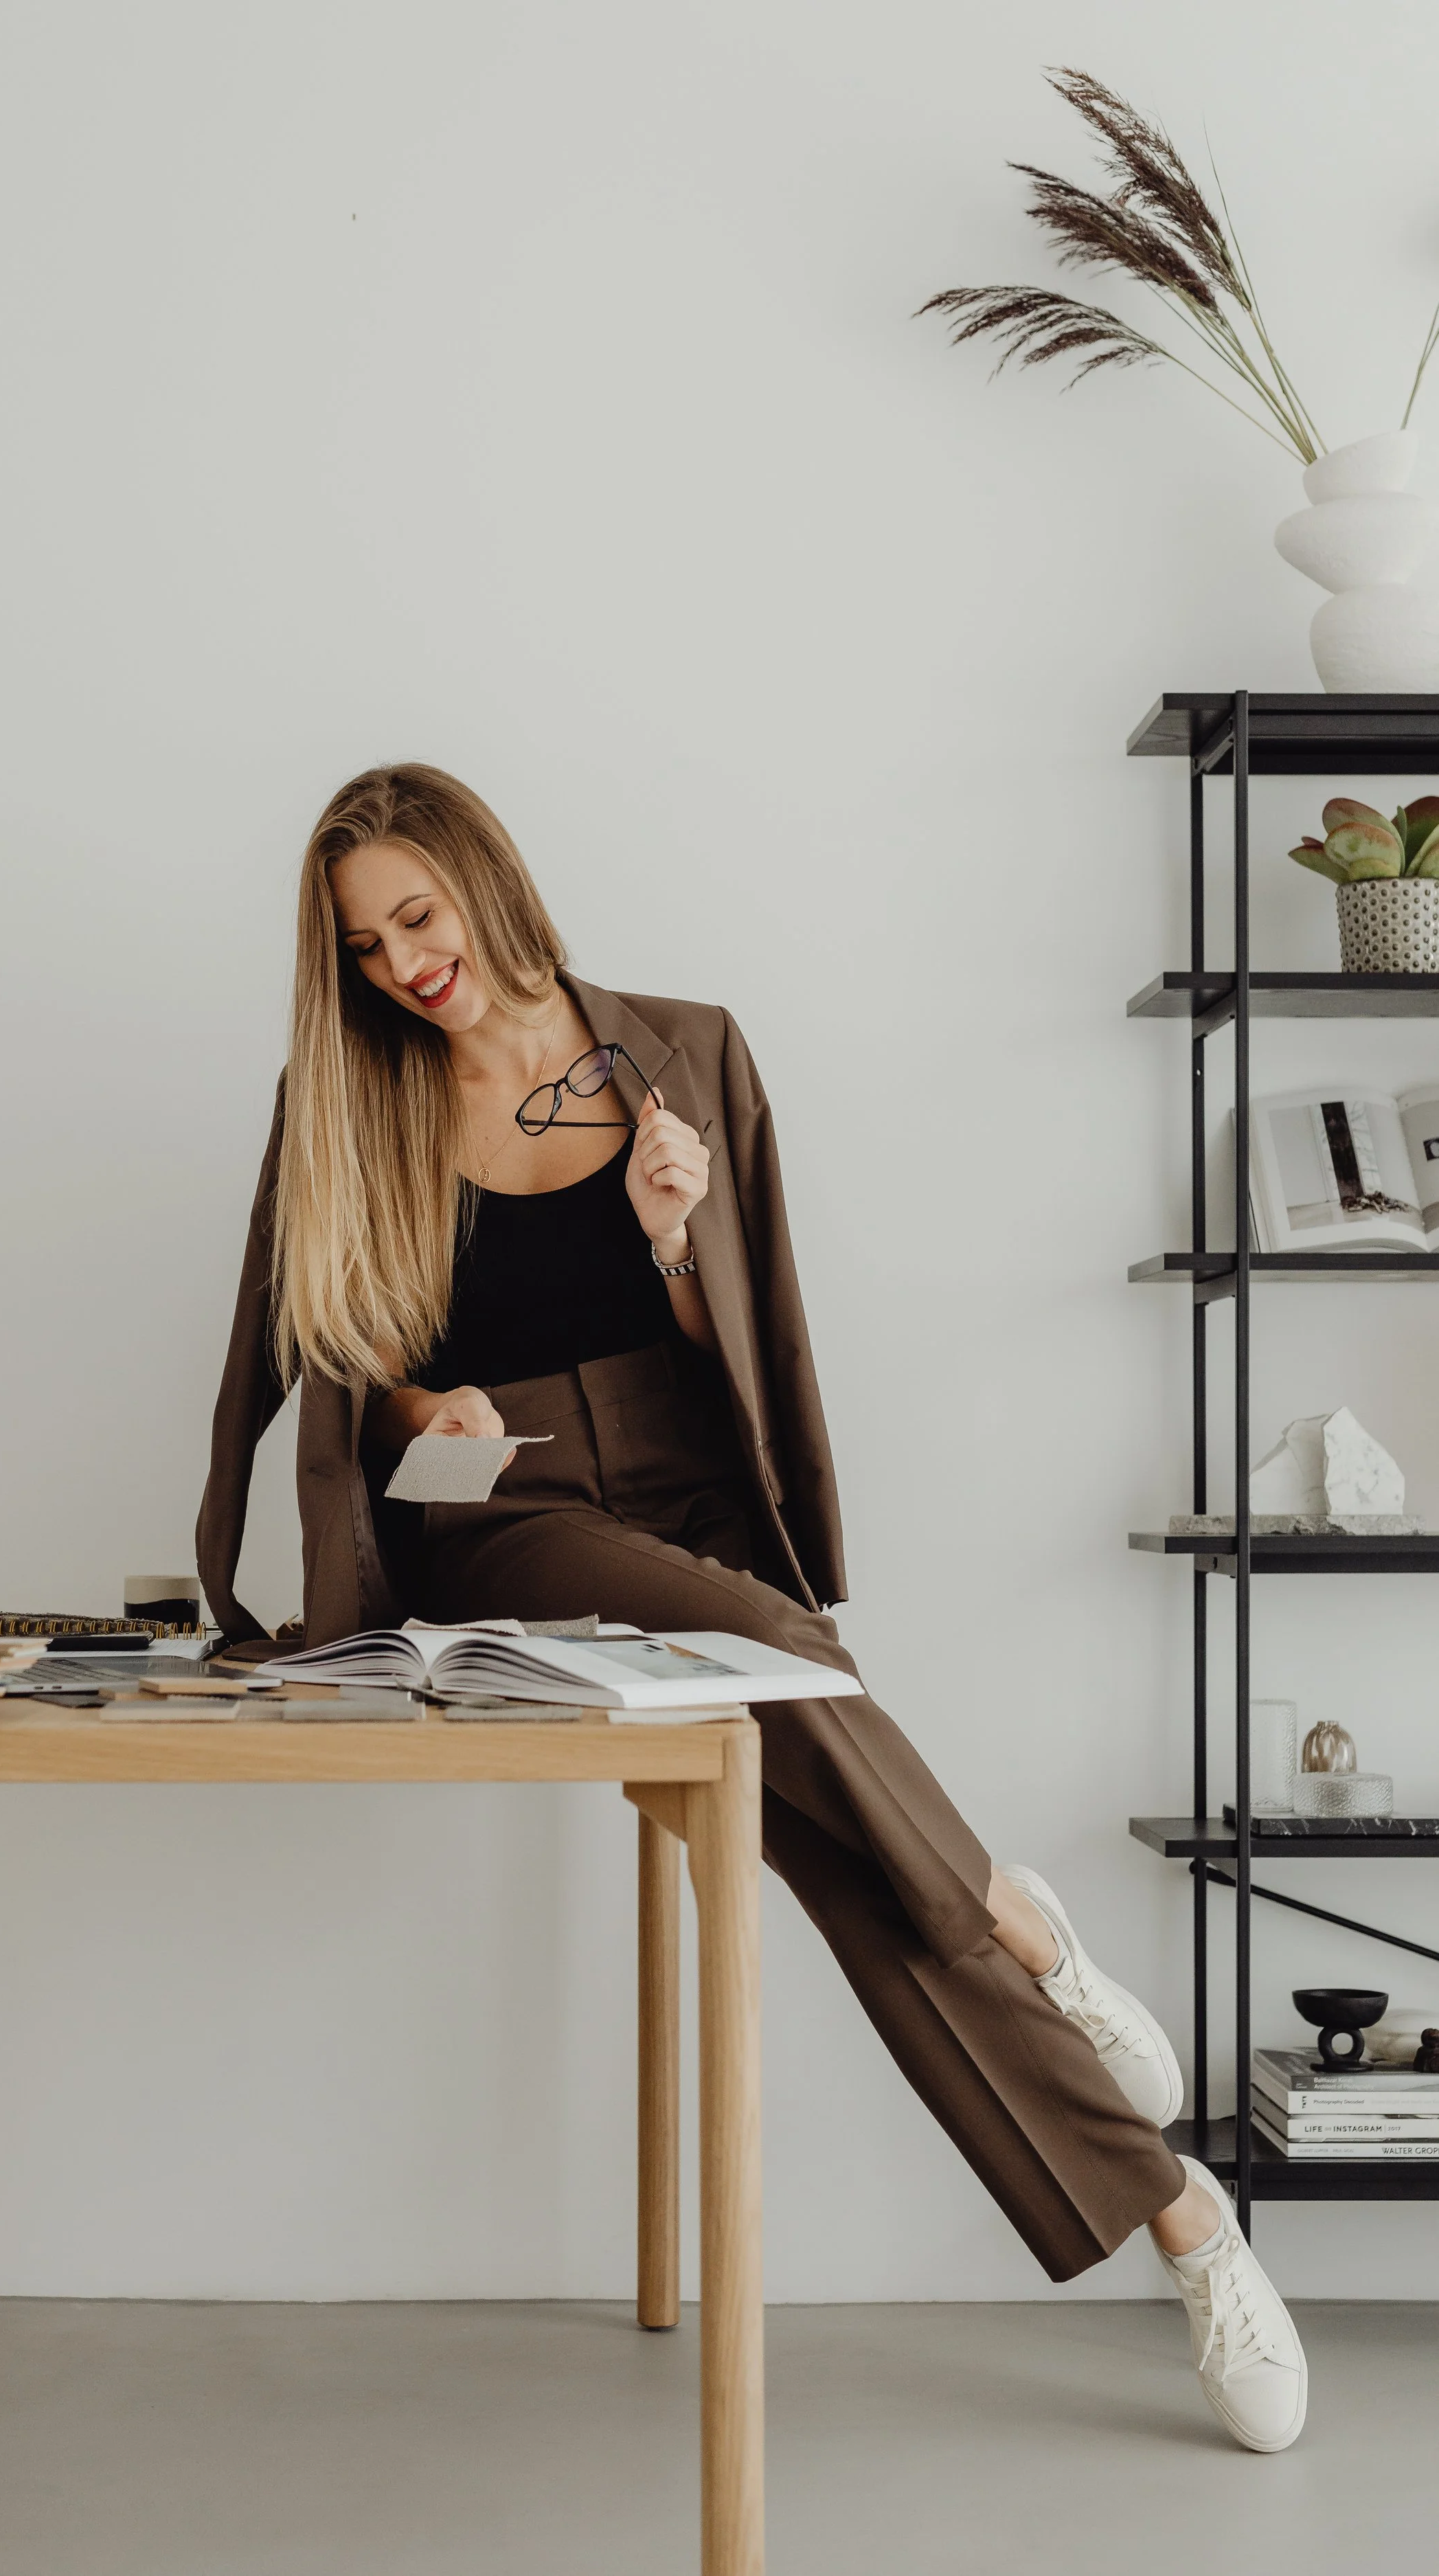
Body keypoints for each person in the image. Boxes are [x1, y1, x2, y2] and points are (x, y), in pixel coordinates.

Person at [198, 762, 1307, 2453]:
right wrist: (428, 1406)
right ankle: (1013, 1918)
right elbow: (334, 1348)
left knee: (846, 1870)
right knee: (786, 1665)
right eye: (363, 946)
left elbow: (753, 1342)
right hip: (510, 1512)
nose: (402, 965)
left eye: (415, 917)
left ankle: (1179, 2216)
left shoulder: (684, 1050)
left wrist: (663, 1235)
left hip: (690, 1485)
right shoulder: (351, 1097)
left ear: (485, 879)